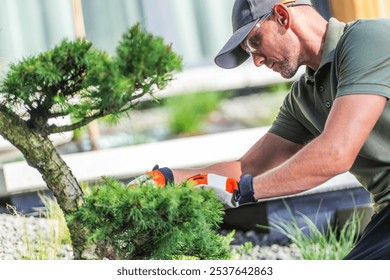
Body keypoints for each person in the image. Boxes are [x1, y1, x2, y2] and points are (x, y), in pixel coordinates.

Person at [132, 0, 390, 259]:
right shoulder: (303, 98)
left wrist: (245, 190)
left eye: (254, 42)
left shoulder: (366, 39)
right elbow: (248, 167)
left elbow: (335, 153)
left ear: (281, 16)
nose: (255, 61)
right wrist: (167, 179)